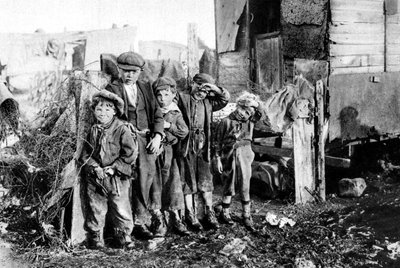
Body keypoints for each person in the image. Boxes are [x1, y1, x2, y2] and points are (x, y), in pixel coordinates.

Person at [106, 51, 164, 239]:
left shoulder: (146, 88)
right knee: (127, 181)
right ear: (118, 70)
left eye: (134, 71)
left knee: (146, 180)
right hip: (124, 143)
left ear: (140, 72)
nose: (129, 75)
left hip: (146, 141)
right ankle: (126, 225)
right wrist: (123, 126)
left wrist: (157, 136)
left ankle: (142, 220)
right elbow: (108, 116)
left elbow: (157, 113)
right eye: (125, 71)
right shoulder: (112, 88)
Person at [80, 90, 138, 249]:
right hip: (97, 176)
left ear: (114, 111)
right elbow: (86, 153)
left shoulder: (122, 129)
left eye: (107, 109)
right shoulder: (93, 130)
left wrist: (114, 168)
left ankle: (124, 235)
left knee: (121, 207)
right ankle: (96, 236)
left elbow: (130, 153)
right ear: (94, 111)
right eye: (99, 109)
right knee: (96, 206)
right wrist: (95, 167)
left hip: (116, 178)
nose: (102, 113)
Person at [177, 73, 230, 231]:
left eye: (206, 91)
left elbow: (224, 99)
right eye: (200, 88)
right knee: (187, 179)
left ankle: (209, 212)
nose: (202, 93)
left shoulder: (208, 102)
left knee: (206, 179)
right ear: (193, 84)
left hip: (203, 144)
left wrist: (215, 88)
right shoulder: (182, 98)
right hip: (185, 144)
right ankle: (190, 214)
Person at [214, 92, 261, 232]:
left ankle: (246, 214)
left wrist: (255, 105)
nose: (243, 114)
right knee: (229, 181)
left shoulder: (250, 122)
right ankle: (225, 212)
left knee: (245, 183)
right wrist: (218, 159)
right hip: (229, 154)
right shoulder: (225, 122)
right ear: (237, 106)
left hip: (245, 153)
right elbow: (217, 142)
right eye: (242, 109)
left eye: (247, 112)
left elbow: (261, 114)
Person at [152, 76, 190, 236]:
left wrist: (168, 126)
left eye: (166, 95)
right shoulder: (152, 110)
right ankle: (158, 219)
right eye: (159, 95)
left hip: (169, 153)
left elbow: (184, 131)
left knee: (172, 184)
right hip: (153, 152)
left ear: (173, 95)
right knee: (154, 184)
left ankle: (175, 217)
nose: (162, 99)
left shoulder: (175, 112)